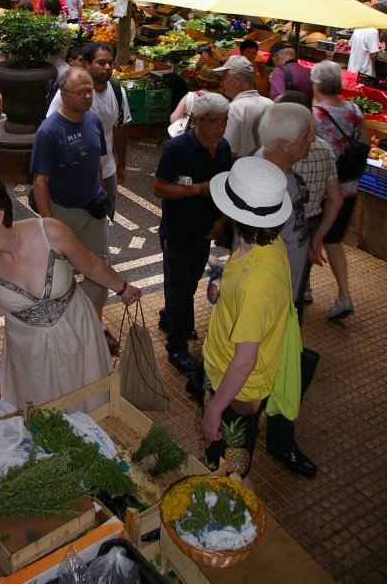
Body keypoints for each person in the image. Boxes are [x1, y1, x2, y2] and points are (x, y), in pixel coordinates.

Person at [0, 174, 141, 410]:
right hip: (29, 350)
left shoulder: (49, 232)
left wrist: (123, 288)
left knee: (91, 402)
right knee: (44, 413)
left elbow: (89, 264)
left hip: (78, 332)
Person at [201, 157, 293, 490]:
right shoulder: (268, 244)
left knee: (231, 472)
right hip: (228, 379)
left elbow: (244, 361)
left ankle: (238, 530)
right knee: (230, 464)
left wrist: (214, 409)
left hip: (235, 391)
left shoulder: (255, 283)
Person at [31, 67, 118, 347]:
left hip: (93, 210)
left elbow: (97, 159)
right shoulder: (48, 131)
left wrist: (100, 191)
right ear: (64, 94)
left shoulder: (93, 120)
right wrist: (48, 222)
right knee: (60, 272)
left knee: (99, 267)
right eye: (81, 92)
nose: (88, 96)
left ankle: (95, 325)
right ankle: (63, 326)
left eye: (90, 90)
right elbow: (41, 181)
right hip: (62, 212)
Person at [257, 102, 317, 476]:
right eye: (305, 135)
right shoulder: (260, 183)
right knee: (281, 371)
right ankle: (280, 441)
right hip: (275, 301)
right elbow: (251, 255)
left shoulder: (286, 171)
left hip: (291, 290)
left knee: (284, 368)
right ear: (283, 144)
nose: (312, 140)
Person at [154, 93, 232, 375]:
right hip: (176, 231)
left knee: (188, 284)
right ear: (198, 120)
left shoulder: (223, 148)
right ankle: (176, 348)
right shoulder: (178, 149)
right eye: (214, 122)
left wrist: (222, 221)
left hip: (205, 231)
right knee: (178, 289)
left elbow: (225, 187)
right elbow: (160, 188)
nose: (219, 128)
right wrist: (197, 189)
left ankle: (171, 318)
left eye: (224, 121)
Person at [46, 43, 131, 223]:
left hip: (107, 170)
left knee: (105, 221)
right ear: (86, 64)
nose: (107, 67)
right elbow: (50, 128)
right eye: (101, 63)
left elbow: (119, 128)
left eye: (110, 63)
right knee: (74, 228)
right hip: (74, 174)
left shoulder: (117, 92)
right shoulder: (67, 93)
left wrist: (121, 164)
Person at [311, 60, 369, 319]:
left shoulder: (314, 115)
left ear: (317, 84)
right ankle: (343, 294)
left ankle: (304, 289)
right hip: (349, 188)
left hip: (321, 189)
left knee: (309, 238)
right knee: (333, 241)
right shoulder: (355, 110)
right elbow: (365, 143)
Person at [276, 92, 344, 314]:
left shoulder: (281, 150)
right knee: (296, 289)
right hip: (310, 224)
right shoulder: (324, 148)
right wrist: (318, 237)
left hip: (281, 225)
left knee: (275, 285)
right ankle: (294, 342)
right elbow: (336, 200)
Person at [213, 55, 272, 159]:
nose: (222, 84)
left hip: (242, 170)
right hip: (267, 170)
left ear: (237, 80)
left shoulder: (233, 110)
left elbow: (229, 153)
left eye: (224, 78)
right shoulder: (271, 104)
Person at [169, 65, 220, 132]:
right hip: (212, 139)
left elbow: (174, 119)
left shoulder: (191, 96)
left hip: (191, 138)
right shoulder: (223, 101)